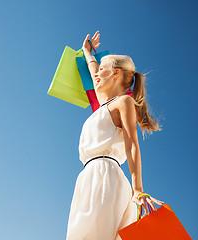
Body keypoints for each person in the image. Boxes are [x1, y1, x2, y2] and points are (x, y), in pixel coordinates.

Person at [66, 31, 164, 240]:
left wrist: (137, 188)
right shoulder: (104, 105)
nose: (97, 75)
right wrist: (87, 52)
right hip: (88, 177)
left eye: (103, 70)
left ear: (116, 73)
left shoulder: (123, 103)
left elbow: (132, 145)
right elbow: (94, 74)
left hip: (105, 175)